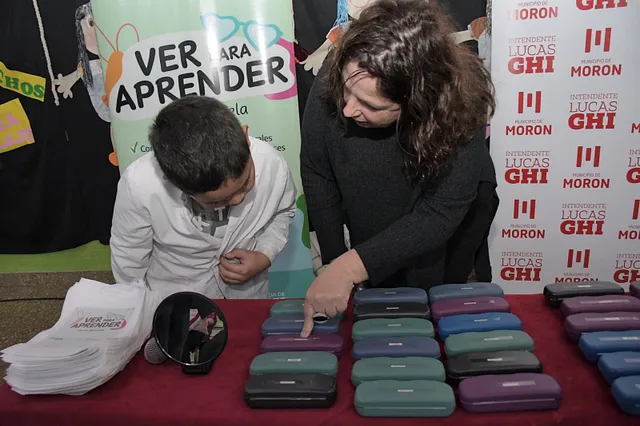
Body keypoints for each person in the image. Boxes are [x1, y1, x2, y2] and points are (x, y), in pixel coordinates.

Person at [299, 0, 497, 336]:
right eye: (347, 92)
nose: (347, 110)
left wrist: (350, 267)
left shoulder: (460, 102)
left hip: (445, 227)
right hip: (370, 202)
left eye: (369, 104)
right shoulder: (348, 70)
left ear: (419, 101)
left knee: (430, 319)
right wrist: (335, 263)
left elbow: (438, 212)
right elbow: (318, 172)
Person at [110, 95, 296, 299]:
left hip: (247, 296)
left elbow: (283, 213)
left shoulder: (272, 164)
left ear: (246, 138)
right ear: (171, 181)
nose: (238, 200)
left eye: (245, 183)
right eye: (216, 201)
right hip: (176, 300)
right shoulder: (140, 185)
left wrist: (265, 254)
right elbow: (128, 260)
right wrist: (139, 308)